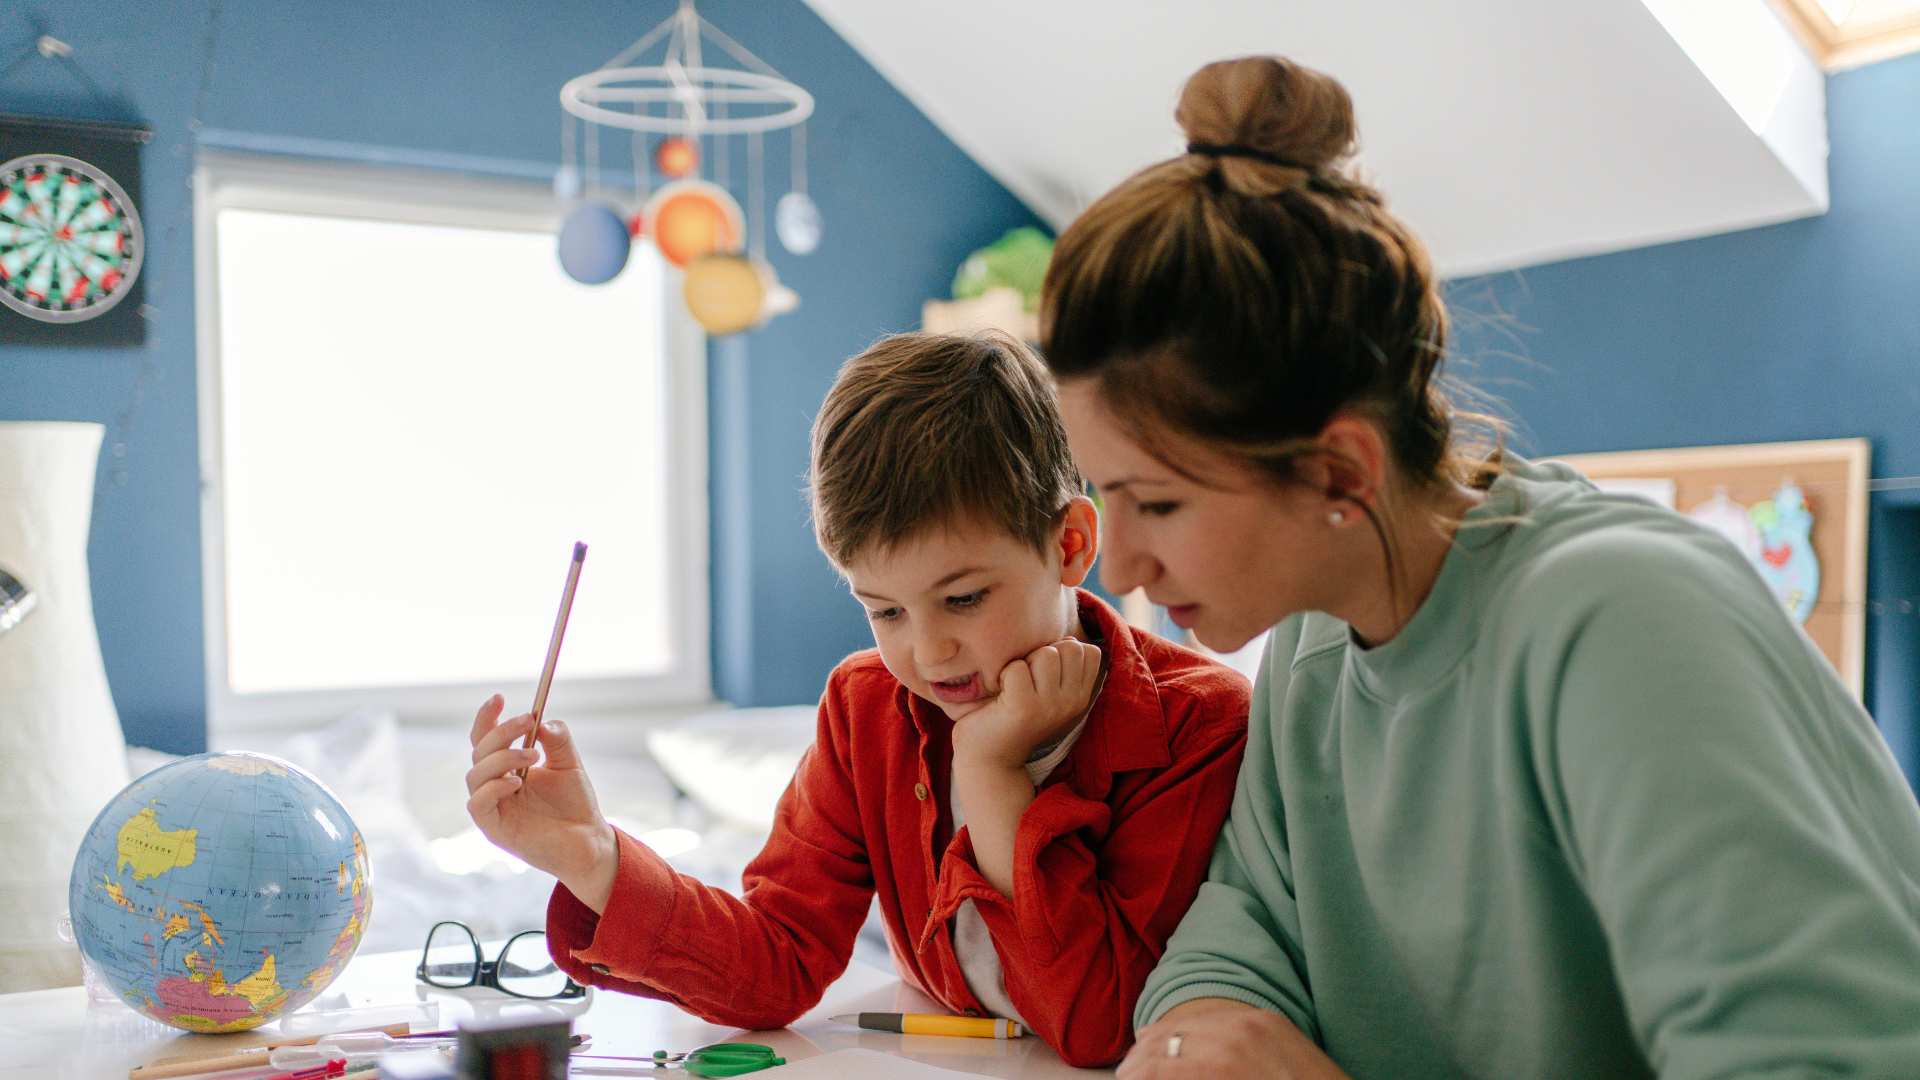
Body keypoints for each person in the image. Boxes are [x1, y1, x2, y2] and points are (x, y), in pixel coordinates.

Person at [1036, 54, 1920, 1080]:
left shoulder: (1623, 626)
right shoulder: (1320, 638)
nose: (1122, 561)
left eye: (1160, 502)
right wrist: (1202, 1028)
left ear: (1338, 468)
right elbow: (1239, 924)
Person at [463, 332, 1249, 1067]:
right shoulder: (866, 706)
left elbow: (1099, 1024)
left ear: (1071, 543)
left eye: (965, 598)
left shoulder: (1200, 723)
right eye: (885, 611)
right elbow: (779, 962)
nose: (929, 651)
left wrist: (992, 775)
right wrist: (591, 857)